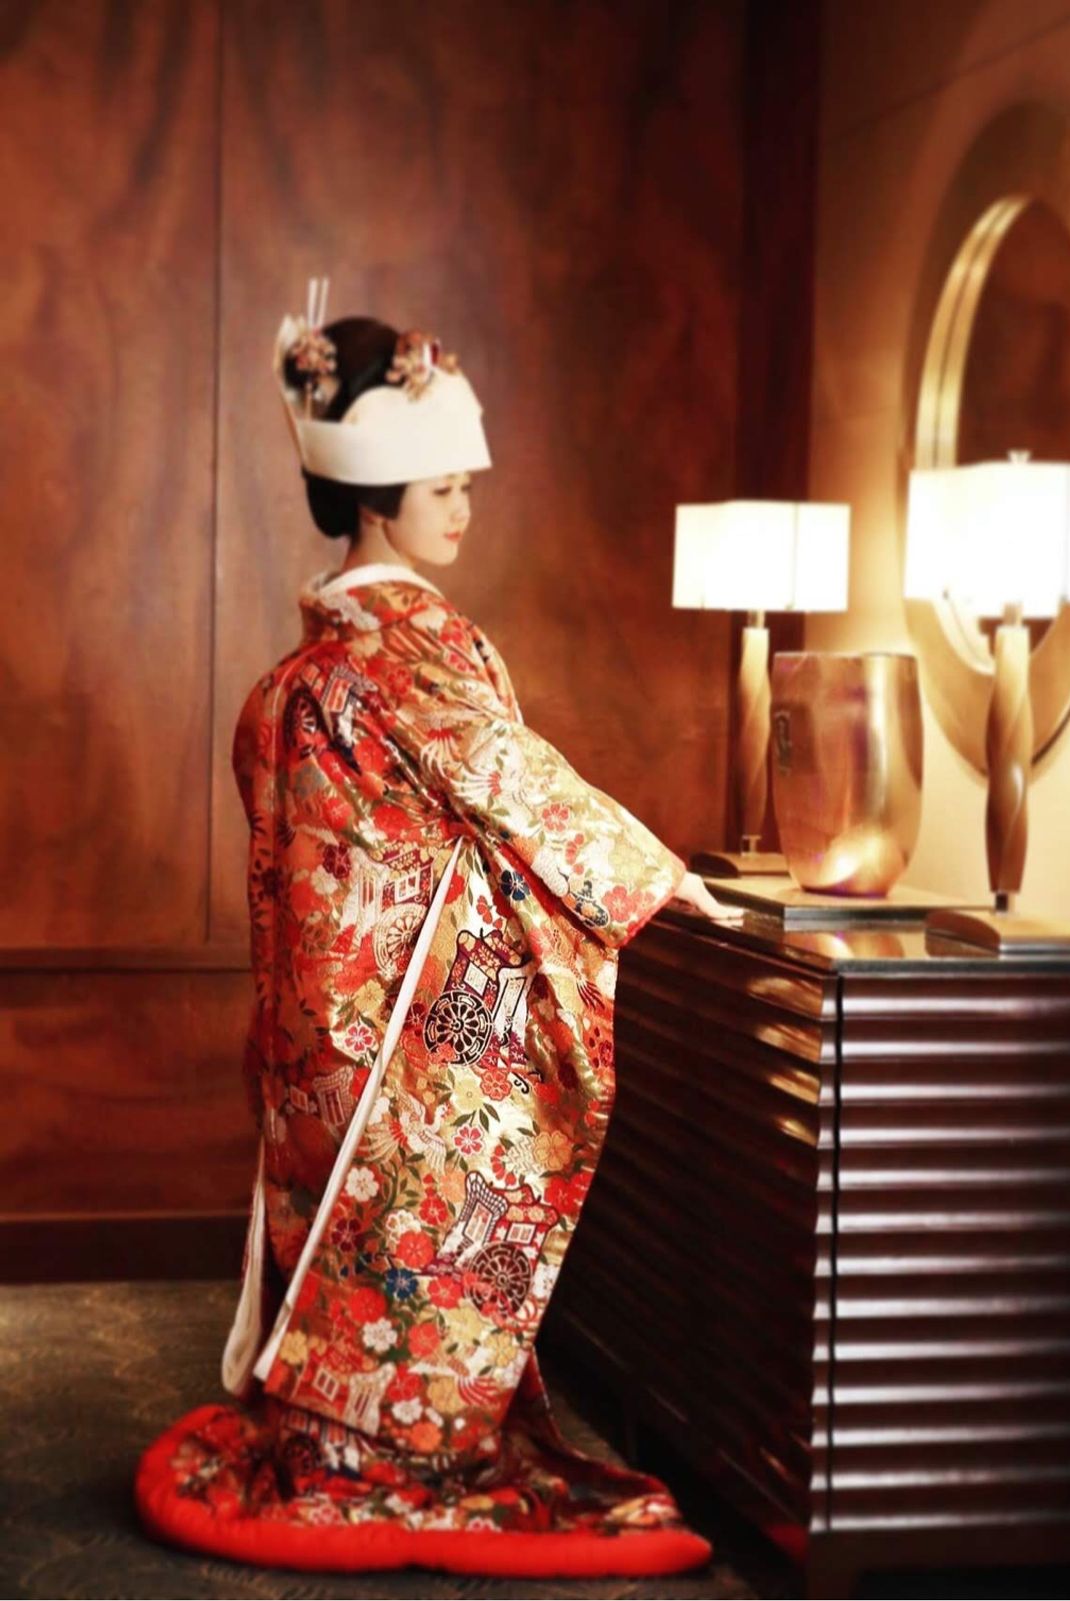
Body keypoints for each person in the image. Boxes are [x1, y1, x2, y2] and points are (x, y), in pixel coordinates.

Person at [133, 279, 743, 1577]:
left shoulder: (319, 657)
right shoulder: (407, 648)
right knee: (414, 1210)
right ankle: (402, 1459)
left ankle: (336, 1439)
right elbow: (509, 777)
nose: (466, 506)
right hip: (408, 1011)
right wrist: (657, 877)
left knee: (344, 1213)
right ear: (377, 497)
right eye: (447, 487)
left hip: (332, 1003)